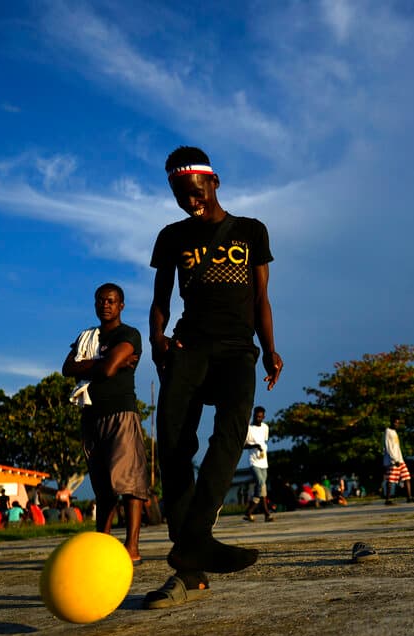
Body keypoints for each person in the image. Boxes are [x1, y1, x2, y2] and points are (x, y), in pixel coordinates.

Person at [145, 145, 283, 609]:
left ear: (214, 181)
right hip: (189, 346)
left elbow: (261, 298)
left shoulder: (250, 231)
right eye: (180, 195)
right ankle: (191, 560)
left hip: (237, 351)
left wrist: (269, 349)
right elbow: (161, 298)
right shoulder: (171, 236)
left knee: (228, 434)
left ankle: (194, 542)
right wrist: (158, 340)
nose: (190, 202)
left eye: (196, 192)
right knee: (173, 442)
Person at [62, 282, 151, 563]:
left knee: (128, 481)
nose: (106, 305)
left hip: (120, 414)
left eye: (111, 301)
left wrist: (95, 364)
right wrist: (104, 362)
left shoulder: (129, 334)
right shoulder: (87, 335)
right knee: (102, 486)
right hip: (91, 415)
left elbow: (110, 368)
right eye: (101, 300)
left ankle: (132, 547)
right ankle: (102, 543)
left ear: (121, 305)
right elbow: (67, 368)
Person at [242, 406, 274, 522]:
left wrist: (261, 448)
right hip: (254, 462)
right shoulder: (249, 429)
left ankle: (264, 514)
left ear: (264, 417)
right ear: (253, 415)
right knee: (260, 483)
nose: (258, 418)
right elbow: (243, 445)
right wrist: (255, 446)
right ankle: (252, 510)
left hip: (263, 462)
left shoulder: (265, 427)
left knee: (262, 488)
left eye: (261, 417)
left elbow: (264, 441)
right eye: (256, 416)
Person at [382, 417, 414, 505]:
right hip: (394, 460)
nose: (397, 425)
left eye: (398, 423)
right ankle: (388, 499)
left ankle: (409, 497)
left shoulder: (394, 432)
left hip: (400, 459)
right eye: (395, 423)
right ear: (391, 422)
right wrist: (394, 459)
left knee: (407, 477)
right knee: (391, 479)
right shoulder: (388, 431)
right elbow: (388, 447)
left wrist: (400, 458)